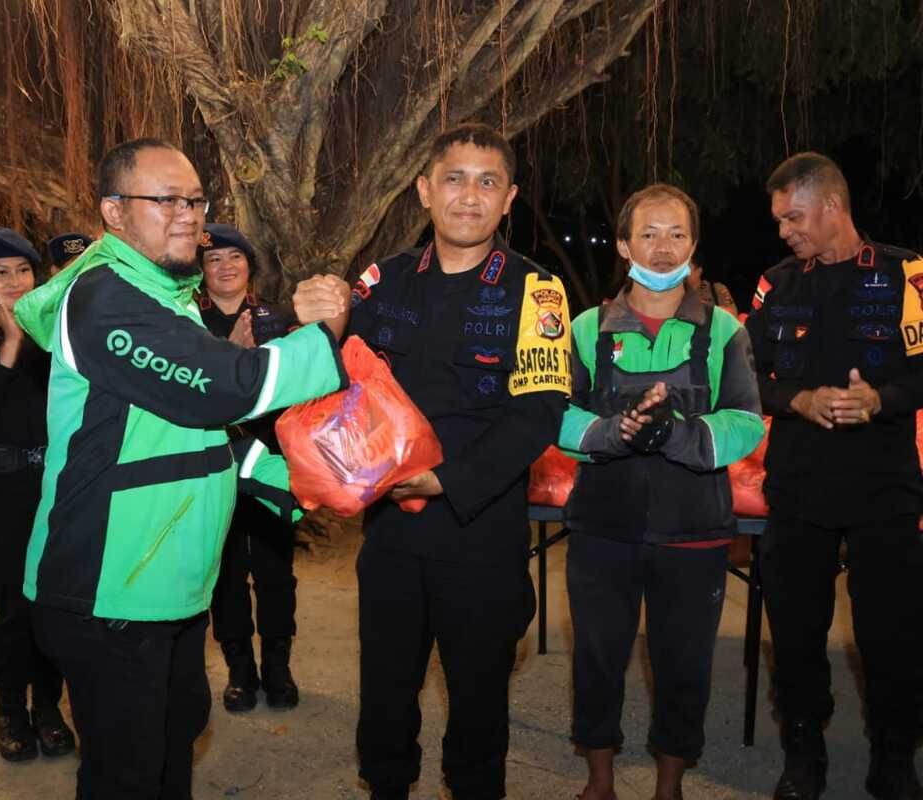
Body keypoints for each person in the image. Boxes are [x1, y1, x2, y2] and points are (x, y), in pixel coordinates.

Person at [11, 137, 350, 799]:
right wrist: (323, 338)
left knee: (175, 736)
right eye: (164, 199)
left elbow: (202, 435)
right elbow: (224, 386)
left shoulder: (168, 297)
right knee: (126, 772)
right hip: (107, 587)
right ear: (113, 213)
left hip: (170, 582)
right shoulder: (103, 297)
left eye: (195, 199)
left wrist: (303, 485)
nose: (188, 214)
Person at [345, 123, 570, 800]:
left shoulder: (538, 292)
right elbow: (342, 389)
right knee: (385, 692)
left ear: (509, 201)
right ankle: (387, 785)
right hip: (389, 534)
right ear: (423, 191)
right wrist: (322, 327)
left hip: (482, 535)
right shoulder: (382, 281)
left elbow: (537, 416)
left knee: (477, 703)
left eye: (487, 182)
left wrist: (445, 480)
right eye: (453, 178)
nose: (468, 196)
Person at [557, 184, 764, 800]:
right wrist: (611, 431)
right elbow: (554, 413)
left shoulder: (724, 330)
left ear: (694, 246)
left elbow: (747, 421)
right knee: (596, 657)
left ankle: (670, 782)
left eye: (676, 234)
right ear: (624, 245)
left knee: (684, 664)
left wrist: (680, 434)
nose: (663, 246)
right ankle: (599, 777)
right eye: (648, 233)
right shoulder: (588, 327)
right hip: (602, 526)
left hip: (693, 528)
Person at [745, 152, 923, 800]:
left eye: (794, 217)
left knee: (893, 634)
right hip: (798, 487)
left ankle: (895, 755)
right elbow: (746, 378)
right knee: (794, 634)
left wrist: (880, 399)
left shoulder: (909, 275)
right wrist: (797, 400)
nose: (785, 230)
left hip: (885, 489)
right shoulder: (776, 285)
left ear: (834, 206)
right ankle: (803, 752)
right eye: (779, 220)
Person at [0, 225, 75, 761]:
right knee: (11, 609)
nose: (13, 281)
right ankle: (11, 709)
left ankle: (48, 707)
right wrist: (6, 349)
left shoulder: (57, 335)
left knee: (49, 607)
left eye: (23, 270)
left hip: (50, 491)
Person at [197, 222, 301, 712]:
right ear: (202, 270)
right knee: (226, 573)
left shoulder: (277, 319)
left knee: (277, 571)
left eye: (234, 258)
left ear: (248, 266)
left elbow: (297, 391)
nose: (225, 267)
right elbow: (192, 395)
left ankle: (278, 666)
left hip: (271, 464)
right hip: (216, 464)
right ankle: (240, 668)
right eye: (215, 259)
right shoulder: (186, 325)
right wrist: (233, 357)